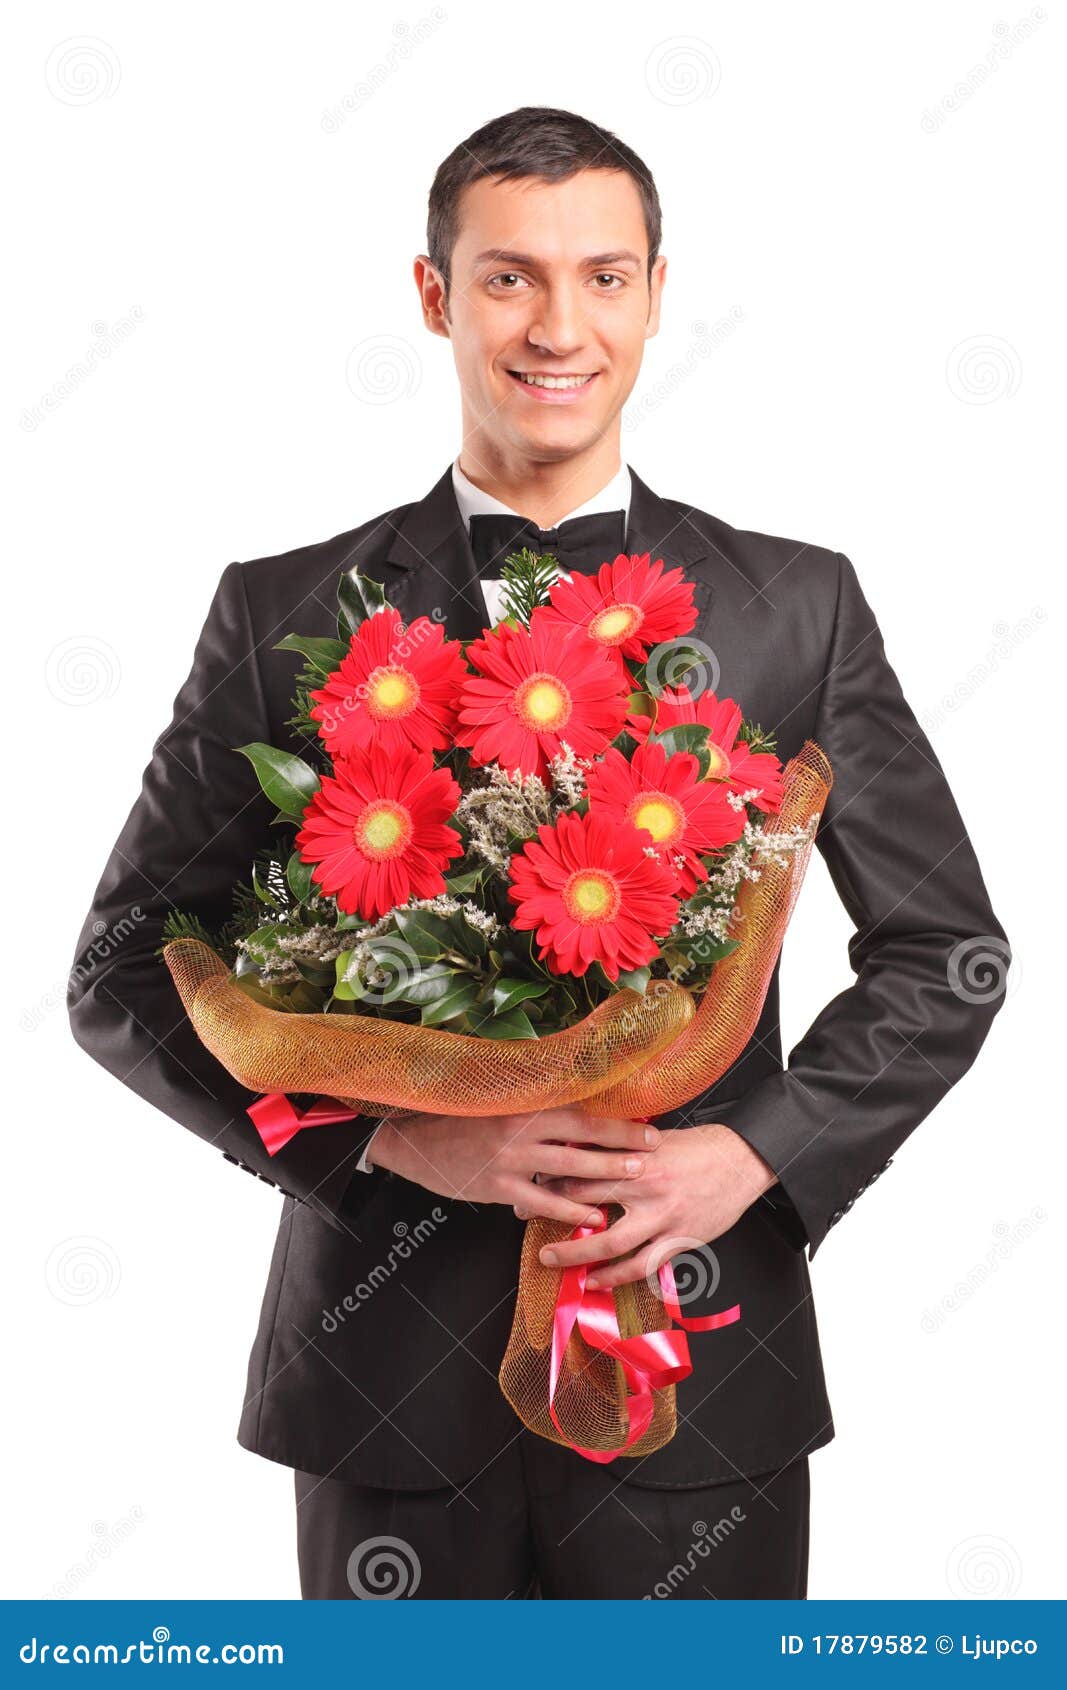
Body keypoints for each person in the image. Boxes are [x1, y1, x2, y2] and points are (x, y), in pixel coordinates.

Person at [68, 106, 1010, 1600]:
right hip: (386, 1392)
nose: (559, 325)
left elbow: (946, 959)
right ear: (435, 296)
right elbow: (123, 973)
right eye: (508, 278)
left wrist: (752, 1155)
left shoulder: (795, 605)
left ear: (653, 291)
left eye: (605, 276)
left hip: (701, 1368)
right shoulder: (283, 610)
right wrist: (380, 1141)